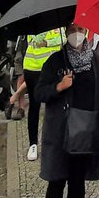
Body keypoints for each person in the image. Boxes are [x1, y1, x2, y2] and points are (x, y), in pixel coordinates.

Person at [33, 23, 99, 198]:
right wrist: (58, 86)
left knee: (77, 182)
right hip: (60, 132)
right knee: (56, 182)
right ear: (66, 32)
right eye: (73, 29)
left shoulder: (95, 61)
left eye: (81, 29)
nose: (77, 34)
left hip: (86, 130)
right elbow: (39, 94)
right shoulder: (56, 61)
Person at [17, 28, 64, 162]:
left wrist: (49, 43)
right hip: (33, 67)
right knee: (34, 105)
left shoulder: (60, 23)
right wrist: (51, 41)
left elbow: (65, 38)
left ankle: (55, 142)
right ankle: (33, 144)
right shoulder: (37, 22)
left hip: (54, 69)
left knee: (56, 104)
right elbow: (36, 41)